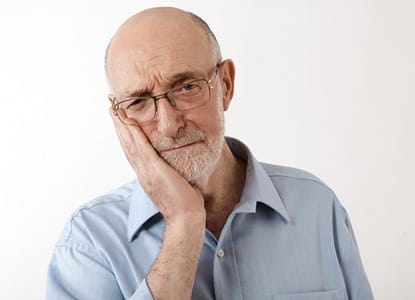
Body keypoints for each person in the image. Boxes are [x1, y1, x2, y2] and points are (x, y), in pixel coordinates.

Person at [46, 7, 374, 300]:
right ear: (120, 118)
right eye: (138, 102)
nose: (169, 124)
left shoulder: (316, 206)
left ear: (226, 85)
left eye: (186, 87)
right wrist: (184, 225)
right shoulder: (88, 243)